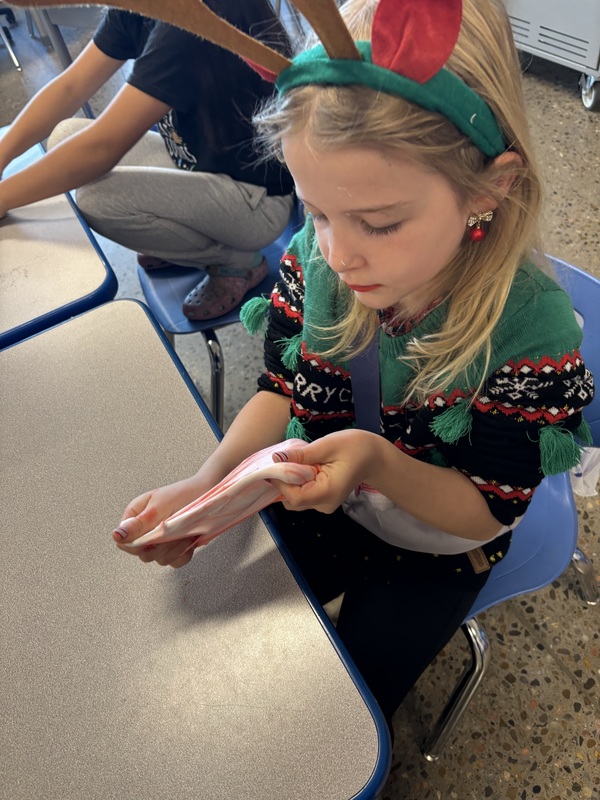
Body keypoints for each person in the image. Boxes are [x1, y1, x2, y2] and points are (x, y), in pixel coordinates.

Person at [111, 0, 595, 736]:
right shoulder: (321, 260)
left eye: (380, 221)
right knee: (234, 652)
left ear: (488, 187)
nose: (337, 254)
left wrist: (376, 459)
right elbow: (281, 389)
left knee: (346, 715)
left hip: (439, 545)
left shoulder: (531, 332)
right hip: (332, 497)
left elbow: (487, 507)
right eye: (318, 211)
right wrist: (206, 485)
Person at [0, 2, 294, 320]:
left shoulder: (193, 20)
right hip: (196, 162)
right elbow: (71, 87)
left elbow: (103, 147)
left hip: (257, 203)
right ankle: (185, 235)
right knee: (66, 135)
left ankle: (236, 261)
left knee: (99, 199)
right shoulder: (141, 5)